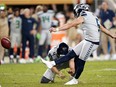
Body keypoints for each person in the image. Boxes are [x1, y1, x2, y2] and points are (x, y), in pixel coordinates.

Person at [41, 3, 116, 85]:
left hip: (92, 42)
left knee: (81, 60)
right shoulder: (94, 16)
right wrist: (111, 35)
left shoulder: (84, 15)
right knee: (71, 54)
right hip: (87, 40)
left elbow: (71, 24)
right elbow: (102, 28)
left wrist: (57, 29)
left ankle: (75, 80)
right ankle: (52, 63)